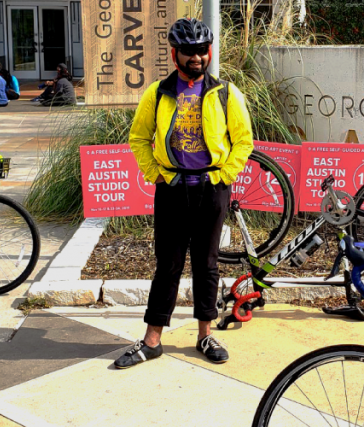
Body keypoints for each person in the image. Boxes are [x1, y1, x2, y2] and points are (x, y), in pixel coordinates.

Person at [116, 18, 253, 369]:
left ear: (209, 53)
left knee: (207, 264)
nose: (196, 57)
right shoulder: (157, 93)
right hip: (173, 190)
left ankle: (205, 334)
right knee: (168, 265)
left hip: (211, 190)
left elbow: (243, 141)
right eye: (189, 51)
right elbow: (138, 138)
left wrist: (223, 176)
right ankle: (152, 340)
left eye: (202, 50)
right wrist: (156, 175)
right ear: (175, 53)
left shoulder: (225, 93)